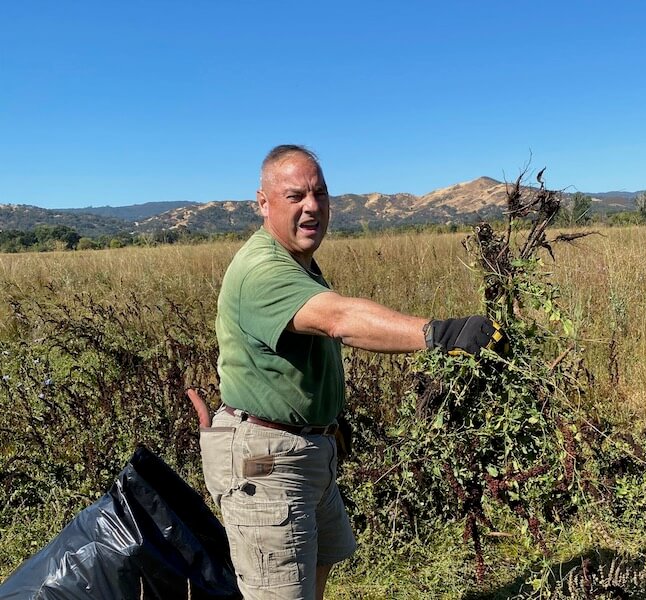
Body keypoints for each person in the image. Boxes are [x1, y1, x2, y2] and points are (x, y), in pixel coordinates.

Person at [200, 145, 504, 600]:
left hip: (304, 449)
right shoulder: (262, 270)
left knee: (319, 565)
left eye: (320, 194)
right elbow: (340, 319)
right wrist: (440, 333)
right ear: (262, 202)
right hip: (267, 461)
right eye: (295, 195)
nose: (312, 207)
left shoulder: (295, 261)